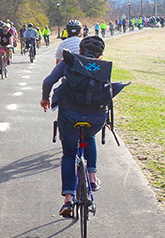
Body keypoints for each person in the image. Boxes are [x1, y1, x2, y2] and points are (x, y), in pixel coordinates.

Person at [40, 35, 112, 218]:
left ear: (79, 50)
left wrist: (45, 99)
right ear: (101, 54)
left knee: (69, 154)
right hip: (96, 117)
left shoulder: (69, 62)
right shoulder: (102, 67)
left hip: (70, 115)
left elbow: (48, 81)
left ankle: (68, 200)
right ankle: (93, 179)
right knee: (89, 137)